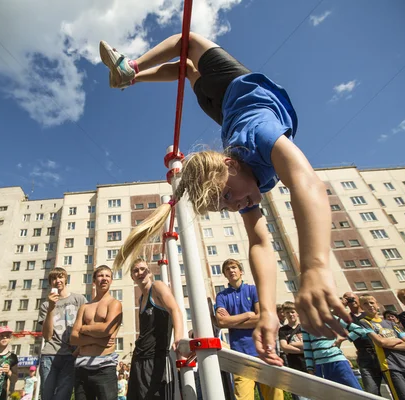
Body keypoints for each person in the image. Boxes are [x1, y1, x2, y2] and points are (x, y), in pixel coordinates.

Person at [103, 32, 350, 365]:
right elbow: (259, 242)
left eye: (227, 196)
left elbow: (307, 182)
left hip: (236, 88)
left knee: (188, 42)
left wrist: (315, 267)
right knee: (187, 69)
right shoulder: (244, 186)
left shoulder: (260, 134)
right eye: (226, 205)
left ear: (229, 163)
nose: (235, 204)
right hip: (217, 107)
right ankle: (129, 79)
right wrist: (266, 310)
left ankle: (131, 69)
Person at [214, 259, 282, 400]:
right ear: (225, 275)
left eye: (234, 267)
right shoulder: (221, 296)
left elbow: (261, 318)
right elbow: (221, 321)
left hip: (264, 351)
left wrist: (232, 322)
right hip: (240, 354)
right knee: (243, 397)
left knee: (275, 395)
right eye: (227, 269)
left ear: (241, 271)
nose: (231, 270)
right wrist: (247, 315)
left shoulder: (253, 290)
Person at [127, 259, 183, 400]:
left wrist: (178, 338)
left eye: (142, 269)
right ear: (132, 277)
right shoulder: (141, 299)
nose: (140, 273)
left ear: (149, 272)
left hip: (156, 358)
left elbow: (175, 310)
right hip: (139, 358)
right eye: (135, 270)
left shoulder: (157, 287)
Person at [358, 295, 405, 400]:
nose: (370, 305)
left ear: (377, 304)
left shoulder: (390, 323)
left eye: (372, 302)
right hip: (390, 366)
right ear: (361, 308)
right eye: (365, 304)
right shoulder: (365, 322)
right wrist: (397, 341)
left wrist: (390, 342)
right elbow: (380, 342)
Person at [70, 265, 122, 400]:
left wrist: (84, 329)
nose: (104, 279)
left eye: (107, 276)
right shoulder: (84, 307)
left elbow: (107, 329)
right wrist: (97, 339)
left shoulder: (114, 304)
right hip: (82, 366)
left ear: (111, 281)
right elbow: (74, 338)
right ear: (94, 280)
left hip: (104, 367)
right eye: (100, 276)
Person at [36, 267, 86, 400]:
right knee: (47, 395)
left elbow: (86, 326)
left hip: (71, 355)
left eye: (60, 277)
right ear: (50, 282)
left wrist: (79, 349)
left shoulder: (79, 299)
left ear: (66, 279)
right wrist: (51, 308)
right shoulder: (46, 305)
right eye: (54, 278)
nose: (57, 280)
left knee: (63, 396)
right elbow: (47, 336)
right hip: (50, 355)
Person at [302, 316, 366, 390]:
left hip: (338, 362)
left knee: (355, 393)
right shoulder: (305, 324)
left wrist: (342, 339)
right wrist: (310, 369)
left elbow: (360, 330)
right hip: (320, 366)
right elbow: (307, 348)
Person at [342, 292, 382, 395]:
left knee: (394, 384)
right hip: (364, 354)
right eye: (347, 299)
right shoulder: (347, 318)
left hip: (380, 351)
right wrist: (342, 305)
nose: (351, 299)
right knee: (371, 390)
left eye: (353, 297)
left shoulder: (368, 313)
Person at [278, 302, 308, 400]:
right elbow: (284, 347)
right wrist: (304, 349)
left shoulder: (305, 327)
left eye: (292, 312)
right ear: (284, 315)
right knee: (301, 396)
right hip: (295, 366)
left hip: (310, 365)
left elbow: (310, 345)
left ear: (297, 313)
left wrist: (292, 344)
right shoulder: (283, 330)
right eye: (287, 313)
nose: (291, 314)